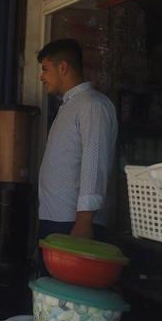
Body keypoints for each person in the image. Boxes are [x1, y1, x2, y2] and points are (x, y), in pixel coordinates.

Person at [37, 38, 118, 244]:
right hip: (56, 217)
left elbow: (94, 160)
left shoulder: (91, 105)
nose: (41, 77)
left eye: (45, 69)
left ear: (62, 67)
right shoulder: (70, 106)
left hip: (74, 223)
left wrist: (84, 220)